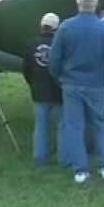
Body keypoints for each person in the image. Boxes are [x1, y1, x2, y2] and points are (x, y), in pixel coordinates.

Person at [49, 0, 104, 183]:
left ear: (78, 2)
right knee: (99, 124)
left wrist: (59, 78)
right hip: (96, 84)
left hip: (71, 84)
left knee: (74, 126)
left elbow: (54, 59)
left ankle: (80, 170)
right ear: (95, 4)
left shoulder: (66, 27)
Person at [23, 12, 67, 167]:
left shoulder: (31, 44)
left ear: (41, 26)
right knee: (62, 126)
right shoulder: (61, 44)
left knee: (41, 126)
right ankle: (63, 159)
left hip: (39, 92)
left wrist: (33, 84)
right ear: (57, 27)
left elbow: (26, 70)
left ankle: (40, 158)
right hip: (58, 91)